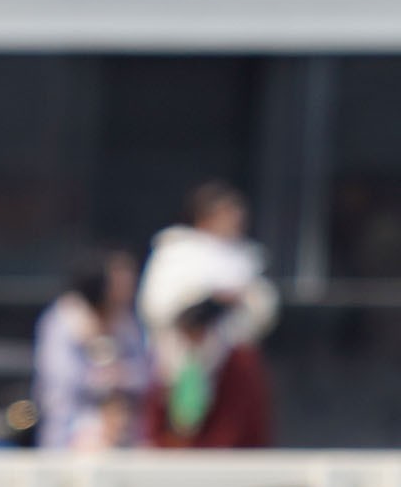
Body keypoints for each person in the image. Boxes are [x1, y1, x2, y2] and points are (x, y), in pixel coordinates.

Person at [139, 181, 277, 448]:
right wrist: (205, 303)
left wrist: (239, 300)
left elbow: (262, 308)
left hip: (234, 364)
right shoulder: (176, 254)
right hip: (185, 363)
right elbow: (159, 306)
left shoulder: (245, 257)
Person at [32, 251, 147, 451]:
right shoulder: (63, 320)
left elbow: (145, 374)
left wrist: (122, 375)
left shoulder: (126, 322)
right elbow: (60, 383)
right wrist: (106, 376)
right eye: (120, 281)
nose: (128, 287)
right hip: (68, 434)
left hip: (122, 434)